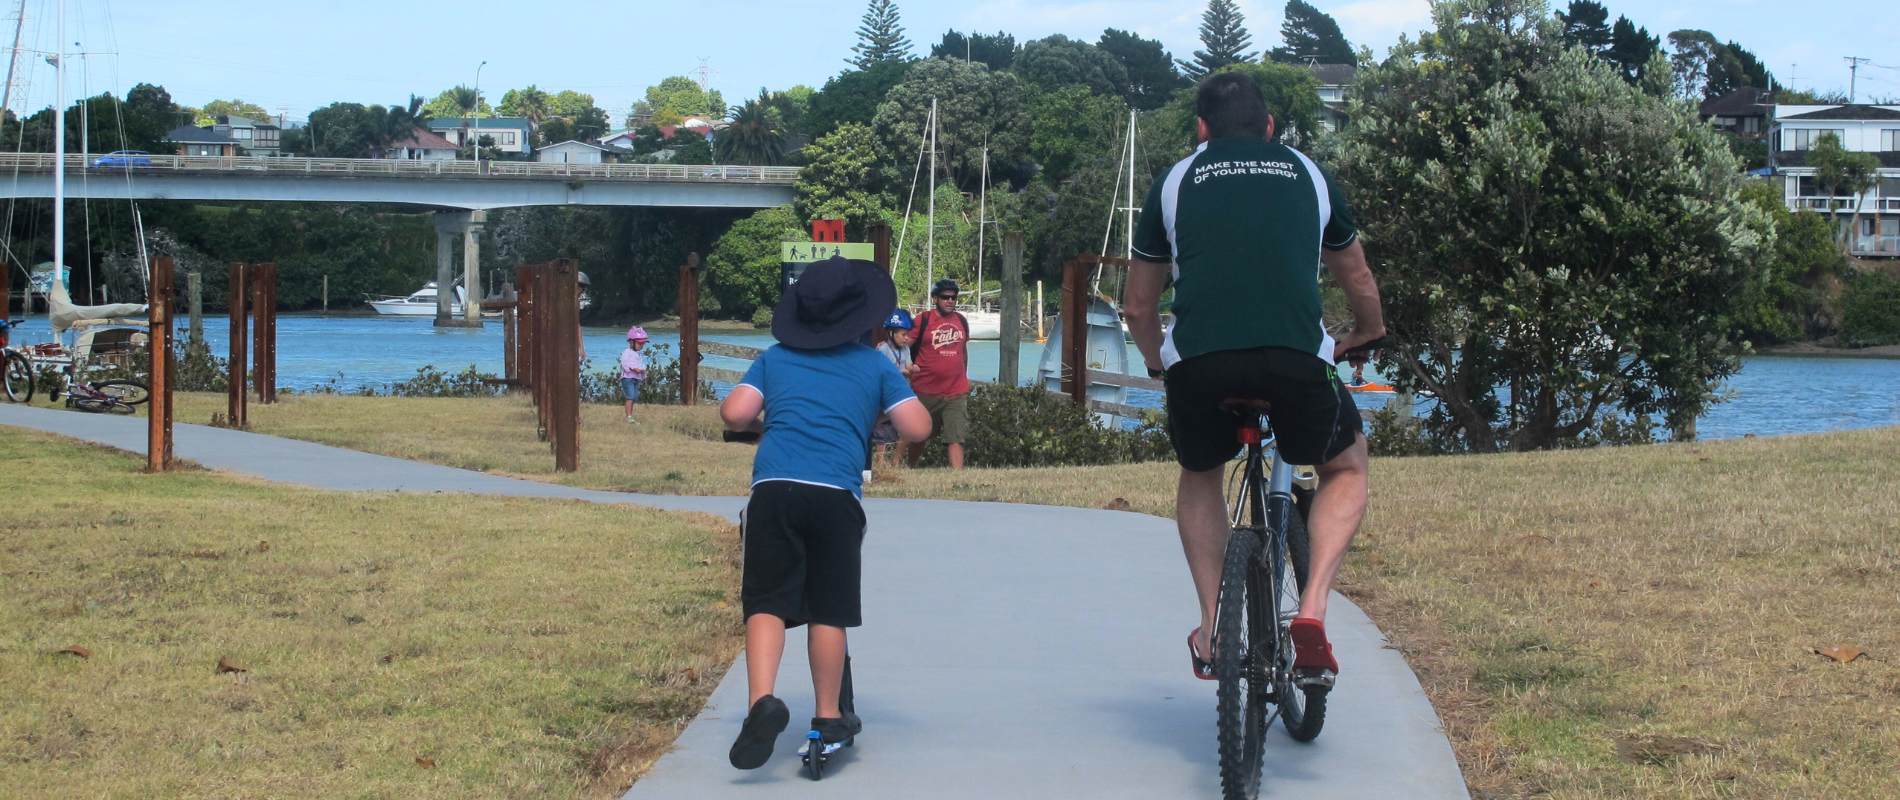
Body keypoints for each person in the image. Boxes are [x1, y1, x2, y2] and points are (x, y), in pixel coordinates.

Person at [1123, 72, 1386, 688]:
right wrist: (1366, 331)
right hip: (1296, 359)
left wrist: (1161, 365)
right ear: (1270, 127)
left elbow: (1137, 308)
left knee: (1200, 472)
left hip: (1202, 362)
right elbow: (1360, 279)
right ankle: (1315, 608)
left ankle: (1215, 628)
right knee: (1345, 466)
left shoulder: (1177, 178)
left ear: (1201, 130)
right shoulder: (1308, 173)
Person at [719, 256, 932, 770]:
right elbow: (919, 427)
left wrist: (773, 415)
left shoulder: (774, 359)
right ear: (860, 318)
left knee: (766, 602)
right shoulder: (874, 364)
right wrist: (875, 415)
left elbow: (734, 414)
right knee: (826, 609)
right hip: (835, 497)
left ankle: (761, 704)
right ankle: (827, 715)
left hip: (773, 491)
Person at [905, 279, 972, 470]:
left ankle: (958, 478)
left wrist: (964, 378)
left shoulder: (961, 321)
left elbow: (963, 352)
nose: (950, 301)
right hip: (924, 390)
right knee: (919, 435)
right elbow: (904, 347)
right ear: (935, 299)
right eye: (945, 297)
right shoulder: (923, 320)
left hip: (955, 391)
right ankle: (909, 468)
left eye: (953, 297)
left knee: (956, 437)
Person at [871, 310, 918, 473]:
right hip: (885, 396)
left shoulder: (905, 349)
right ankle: (880, 463)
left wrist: (913, 368)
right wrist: (901, 372)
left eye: (907, 335)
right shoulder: (883, 349)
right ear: (892, 333)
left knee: (906, 429)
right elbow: (879, 371)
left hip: (901, 395)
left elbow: (908, 364)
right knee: (882, 431)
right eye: (903, 335)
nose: (907, 338)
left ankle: (895, 462)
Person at [619, 326, 649, 424]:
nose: (641, 346)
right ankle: (628, 417)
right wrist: (632, 368)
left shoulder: (639, 354)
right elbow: (624, 363)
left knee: (634, 396)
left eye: (643, 344)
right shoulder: (627, 352)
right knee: (630, 396)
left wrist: (643, 371)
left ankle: (630, 415)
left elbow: (641, 365)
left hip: (636, 378)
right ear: (631, 342)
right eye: (639, 343)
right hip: (627, 378)